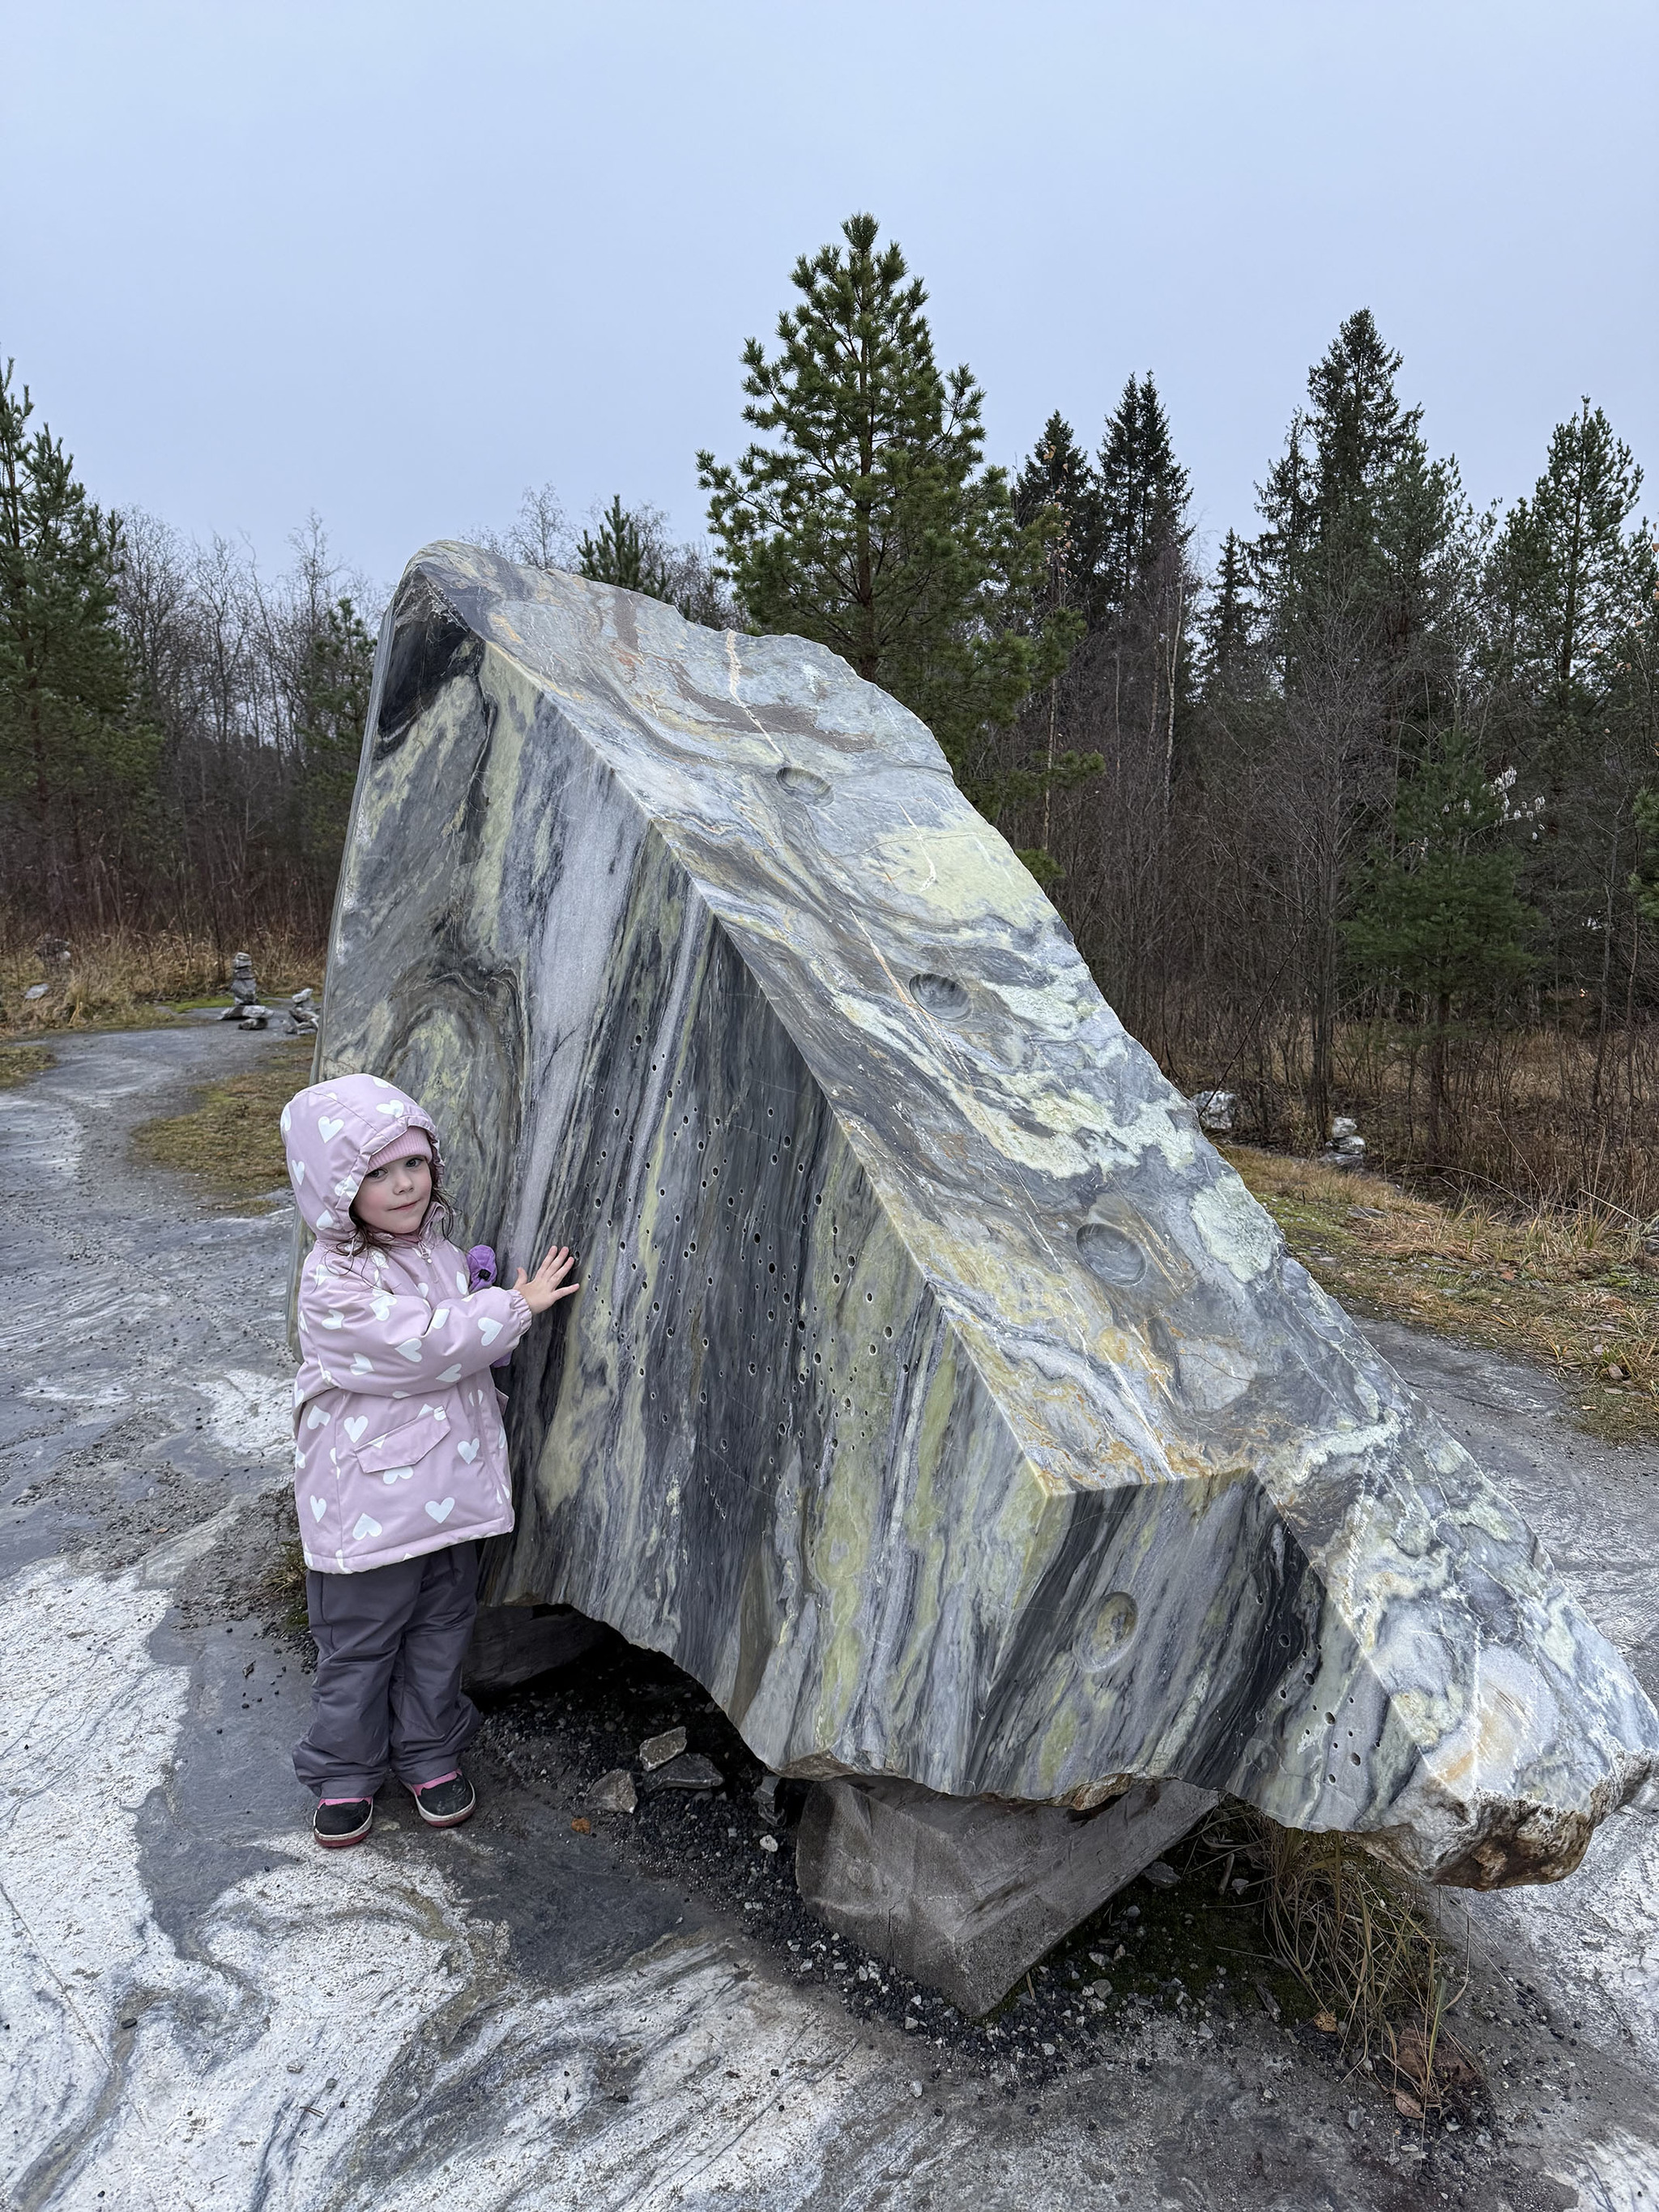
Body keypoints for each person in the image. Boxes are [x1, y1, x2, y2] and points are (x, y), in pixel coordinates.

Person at [282, 1072, 578, 1848]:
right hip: (371, 1507)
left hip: (448, 1493)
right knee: (360, 1643)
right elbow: (420, 1346)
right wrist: (514, 1306)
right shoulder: (332, 1280)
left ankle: (429, 1751)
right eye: (375, 1173)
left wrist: (473, 1290)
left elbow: (449, 1341)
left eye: (412, 1163)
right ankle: (344, 1773)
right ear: (335, 1188)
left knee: (441, 1628)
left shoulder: (435, 1251)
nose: (403, 1184)